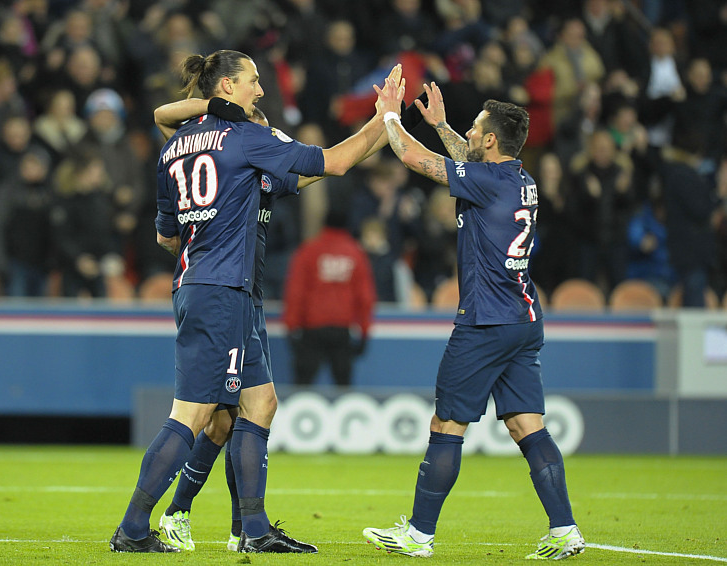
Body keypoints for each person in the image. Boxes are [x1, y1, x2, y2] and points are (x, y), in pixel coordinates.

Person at [109, 49, 398, 554]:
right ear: (225, 87)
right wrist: (383, 118)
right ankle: (133, 528)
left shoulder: (175, 147)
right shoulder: (247, 139)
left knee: (260, 403)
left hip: (210, 286)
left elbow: (165, 238)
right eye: (252, 81)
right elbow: (335, 162)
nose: (260, 90)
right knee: (193, 413)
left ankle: (255, 530)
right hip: (221, 292)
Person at [362, 78, 585, 560]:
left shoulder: (486, 181)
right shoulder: (519, 180)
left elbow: (414, 160)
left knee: (446, 426)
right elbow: (469, 162)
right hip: (524, 318)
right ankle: (565, 528)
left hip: (486, 321)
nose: (469, 132)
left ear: (489, 139)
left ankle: (418, 536)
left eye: (474, 128)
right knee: (529, 426)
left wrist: (391, 116)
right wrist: (441, 124)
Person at [284, 208, 377, 385]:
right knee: (343, 388)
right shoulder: (355, 253)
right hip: (341, 330)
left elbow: (295, 292)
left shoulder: (309, 251)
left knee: (302, 387)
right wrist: (365, 331)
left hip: (312, 329)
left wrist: (291, 326)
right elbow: (365, 298)